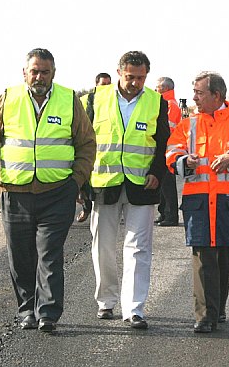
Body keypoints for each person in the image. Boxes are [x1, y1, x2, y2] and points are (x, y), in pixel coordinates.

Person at [0, 48, 96, 333]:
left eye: (45, 72)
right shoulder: (7, 98)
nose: (39, 77)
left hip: (57, 193)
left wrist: (75, 182)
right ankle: (27, 310)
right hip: (15, 194)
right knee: (21, 256)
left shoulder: (69, 100)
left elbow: (87, 144)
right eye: (35, 71)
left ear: (54, 73)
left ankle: (48, 314)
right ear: (25, 72)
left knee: (50, 253)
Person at [166, 72, 229, 333]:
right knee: (202, 255)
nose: (194, 98)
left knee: (225, 255)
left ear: (217, 96)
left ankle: (217, 309)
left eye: (199, 93)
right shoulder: (188, 124)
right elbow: (171, 152)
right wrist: (183, 161)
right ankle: (205, 316)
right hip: (199, 202)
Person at [88, 51, 169, 330]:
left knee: (139, 248)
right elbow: (85, 141)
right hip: (104, 184)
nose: (135, 83)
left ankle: (134, 308)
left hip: (142, 186)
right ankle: (106, 302)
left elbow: (163, 143)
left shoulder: (156, 102)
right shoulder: (96, 98)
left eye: (141, 78)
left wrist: (157, 174)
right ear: (119, 72)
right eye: (131, 77)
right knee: (103, 247)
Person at [76, 72, 112, 223]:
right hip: (86, 147)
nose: (106, 88)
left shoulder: (113, 103)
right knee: (82, 181)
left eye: (108, 85)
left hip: (103, 151)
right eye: (103, 84)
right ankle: (86, 207)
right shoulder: (85, 100)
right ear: (96, 84)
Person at [154, 77, 181, 226]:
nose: (155, 89)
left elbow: (166, 129)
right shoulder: (167, 104)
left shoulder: (169, 105)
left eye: (157, 87)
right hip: (166, 148)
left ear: (164, 88)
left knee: (167, 184)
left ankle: (171, 216)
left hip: (168, 148)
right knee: (163, 184)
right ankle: (164, 213)